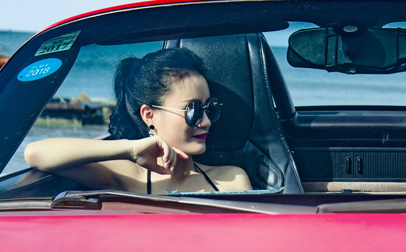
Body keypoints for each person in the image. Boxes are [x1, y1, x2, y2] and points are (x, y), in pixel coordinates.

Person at [24, 48, 252, 193]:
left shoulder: (231, 179)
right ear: (149, 115)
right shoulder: (129, 177)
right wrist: (131, 149)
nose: (206, 122)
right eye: (193, 110)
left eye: (209, 109)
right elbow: (35, 153)